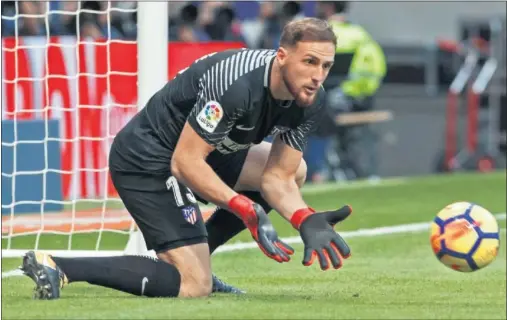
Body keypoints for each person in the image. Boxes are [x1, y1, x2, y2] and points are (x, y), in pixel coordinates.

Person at [21, 17, 353, 300]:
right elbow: (185, 163)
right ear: (282, 56)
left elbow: (277, 177)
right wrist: (241, 206)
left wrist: (303, 218)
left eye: (326, 65)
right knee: (194, 286)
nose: (318, 75)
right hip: (150, 158)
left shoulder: (312, 98)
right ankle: (58, 264)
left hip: (210, 154)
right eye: (309, 62)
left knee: (297, 172)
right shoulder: (237, 85)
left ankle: (197, 259)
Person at [315, 1, 387, 181]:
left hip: (337, 102)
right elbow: (379, 68)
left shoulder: (324, 34)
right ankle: (348, 169)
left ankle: (329, 169)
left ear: (328, 7)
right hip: (364, 100)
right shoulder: (361, 34)